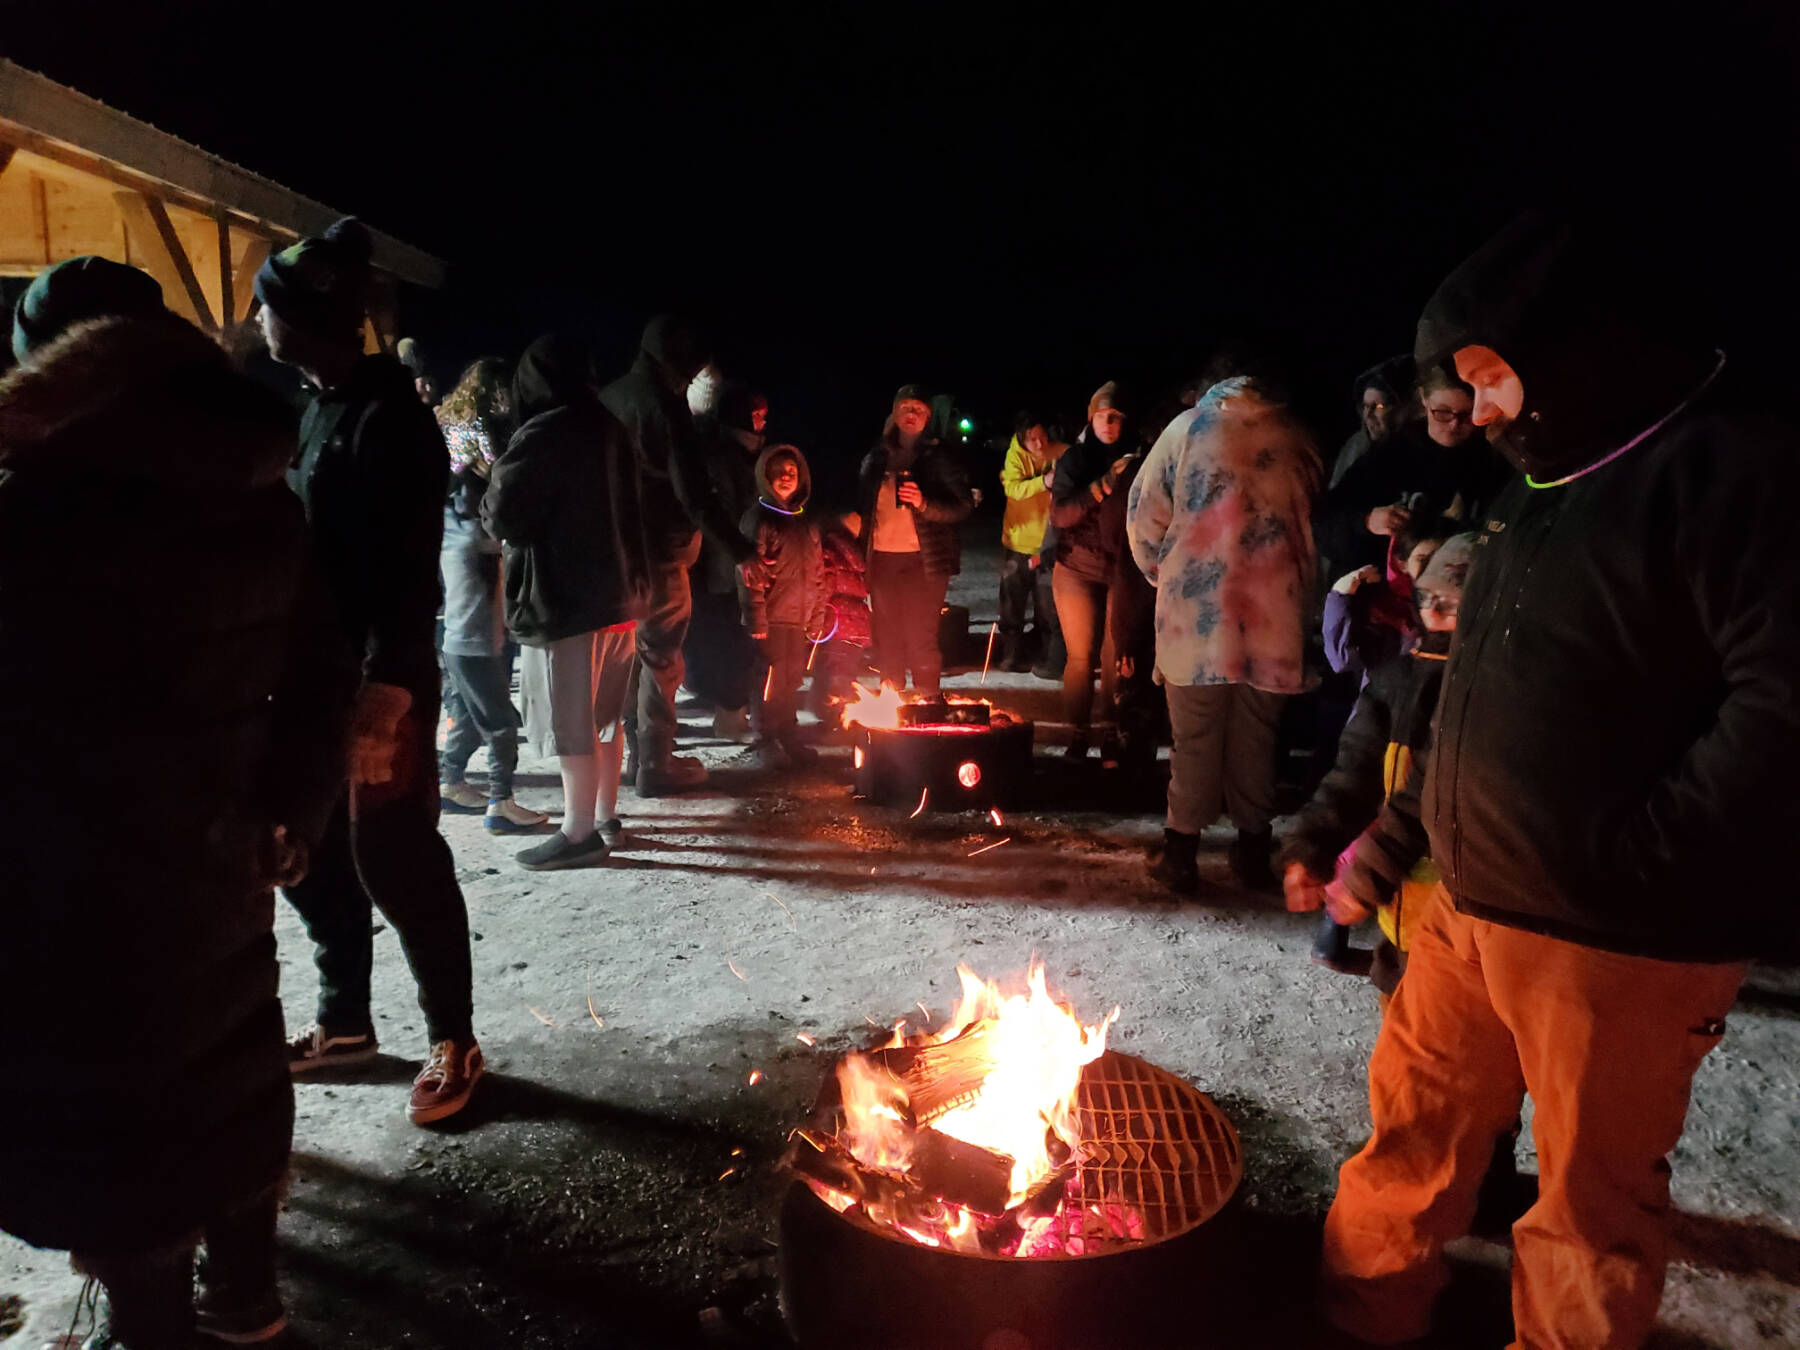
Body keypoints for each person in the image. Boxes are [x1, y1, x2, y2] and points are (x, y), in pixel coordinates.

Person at [1319, 214, 1799, 1350]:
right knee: (1406, 1153)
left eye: (1488, 379)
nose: (1477, 415)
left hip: (1618, 936)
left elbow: (1784, 708)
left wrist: (1645, 857)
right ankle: (1359, 1328)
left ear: (1571, 347)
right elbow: (1471, 694)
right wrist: (1409, 828)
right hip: (1464, 909)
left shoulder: (1737, 473)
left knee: (1587, 1211)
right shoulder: (1533, 489)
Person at [1, 259, 354, 1348]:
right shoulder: (254, 487)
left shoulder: (37, 509)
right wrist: (284, 816)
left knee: (115, 1117)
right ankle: (248, 1295)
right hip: (223, 854)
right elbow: (322, 668)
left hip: (73, 878)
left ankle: (151, 1324)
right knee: (225, 1058)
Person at [256, 218, 486, 1125]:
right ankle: (344, 1020)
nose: (256, 322)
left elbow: (406, 565)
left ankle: (455, 1037)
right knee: (309, 851)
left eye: (267, 306)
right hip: (309, 672)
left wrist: (388, 687)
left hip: (378, 679)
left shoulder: (392, 420)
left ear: (303, 318)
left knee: (393, 852)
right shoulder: (318, 407)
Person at [1126, 375, 1321, 894]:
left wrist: (1163, 572)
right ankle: (1253, 851)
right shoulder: (1296, 434)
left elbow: (1145, 512)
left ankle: (1181, 854)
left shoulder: (1188, 430)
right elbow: (1318, 521)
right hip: (1275, 617)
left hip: (1196, 618)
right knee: (1258, 739)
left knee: (1193, 741)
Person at [484, 335, 649, 868]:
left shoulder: (545, 431)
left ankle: (579, 835)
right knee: (606, 718)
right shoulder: (611, 428)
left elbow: (505, 515)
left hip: (566, 599)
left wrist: (490, 477)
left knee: (571, 720)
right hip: (622, 597)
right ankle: (604, 817)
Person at [1283, 536, 1474, 980]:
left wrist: (1368, 875)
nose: (1436, 611)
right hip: (1400, 925)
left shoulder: (1486, 692)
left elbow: (1436, 791)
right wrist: (1311, 848)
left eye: (1454, 601)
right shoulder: (1397, 679)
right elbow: (1354, 770)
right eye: (1428, 596)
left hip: (1463, 933)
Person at [599, 315, 753, 795]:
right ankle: (656, 765)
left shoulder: (609, 399)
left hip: (616, 550)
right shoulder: (665, 406)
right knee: (662, 657)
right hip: (661, 549)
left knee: (627, 655)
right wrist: (741, 548)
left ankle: (633, 759)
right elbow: (695, 494)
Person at [435, 357, 548, 833]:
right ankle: (501, 804)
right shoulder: (473, 538)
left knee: (466, 712)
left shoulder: (448, 526)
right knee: (501, 722)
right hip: (473, 641)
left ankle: (450, 782)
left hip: (458, 640)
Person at [1318, 361, 1509, 573]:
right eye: (1443, 412)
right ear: (1424, 399)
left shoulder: (1492, 456)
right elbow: (1325, 526)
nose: (1454, 424)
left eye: (1466, 415)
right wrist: (1367, 521)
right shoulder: (1392, 454)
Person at [1049, 381, 1151, 760]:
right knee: (1080, 656)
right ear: (1090, 419)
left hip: (1120, 570)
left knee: (1114, 656)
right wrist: (1103, 485)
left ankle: (1111, 731)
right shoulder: (1076, 460)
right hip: (1076, 566)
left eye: (1116, 417)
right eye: (1101, 416)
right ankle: (1077, 733)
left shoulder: (1140, 459)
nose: (1109, 424)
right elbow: (1060, 513)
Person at [854, 385, 975, 697]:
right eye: (906, 408)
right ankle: (891, 701)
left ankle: (927, 701)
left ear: (928, 418)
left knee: (921, 636)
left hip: (924, 562)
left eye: (918, 410)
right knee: (887, 635)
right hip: (882, 560)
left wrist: (924, 503)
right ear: (895, 413)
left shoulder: (939, 457)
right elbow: (863, 508)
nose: (911, 415)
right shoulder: (877, 456)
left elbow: (962, 507)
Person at [738, 445, 828, 768]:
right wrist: (756, 620)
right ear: (766, 476)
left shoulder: (806, 523)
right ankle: (765, 738)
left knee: (790, 680)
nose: (786, 477)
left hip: (797, 620)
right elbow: (750, 577)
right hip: (771, 620)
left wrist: (816, 616)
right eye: (779, 471)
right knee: (768, 681)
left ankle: (787, 735)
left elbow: (818, 573)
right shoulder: (759, 520)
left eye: (792, 471)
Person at [686, 383, 768, 741]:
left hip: (739, 563)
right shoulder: (724, 456)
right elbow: (726, 513)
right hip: (725, 568)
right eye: (756, 414)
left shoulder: (750, 454)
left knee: (732, 642)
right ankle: (729, 716)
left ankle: (729, 708)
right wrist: (741, 552)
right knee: (730, 642)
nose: (763, 421)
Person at [1320, 517, 1457, 685]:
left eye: (1440, 559)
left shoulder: (1459, 595)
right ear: (1402, 563)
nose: (1432, 569)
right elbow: (1343, 658)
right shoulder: (1384, 608)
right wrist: (1340, 595)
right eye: (1422, 560)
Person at [996, 413, 1067, 672]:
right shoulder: (1015, 457)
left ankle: (1047, 657)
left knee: (1047, 606)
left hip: (1047, 543)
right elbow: (1012, 489)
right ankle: (1011, 654)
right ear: (1021, 439)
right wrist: (1043, 482)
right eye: (1032, 439)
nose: (1039, 444)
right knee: (1012, 604)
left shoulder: (1059, 452)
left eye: (1042, 437)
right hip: (1017, 543)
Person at [1327, 355, 1414, 491]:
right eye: (1365, 406)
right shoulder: (1355, 449)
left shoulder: (1417, 448)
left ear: (1402, 407)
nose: (1367, 415)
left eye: (1378, 407)